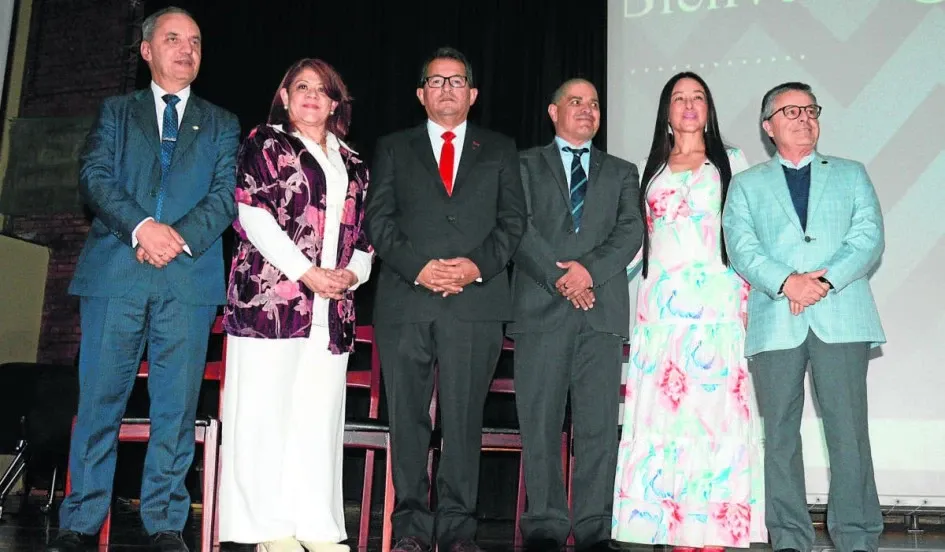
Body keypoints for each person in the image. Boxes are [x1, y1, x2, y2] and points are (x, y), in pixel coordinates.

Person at [50, 7, 239, 552]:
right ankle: (80, 523)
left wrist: (173, 238)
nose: (186, 49)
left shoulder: (222, 123)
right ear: (146, 51)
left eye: (196, 41)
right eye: (173, 38)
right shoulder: (115, 112)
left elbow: (225, 195)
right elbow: (94, 177)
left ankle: (163, 523)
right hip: (116, 275)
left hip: (187, 278)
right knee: (99, 405)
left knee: (176, 410)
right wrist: (141, 228)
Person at [364, 46, 526, 552]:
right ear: (420, 93)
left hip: (476, 305)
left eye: (457, 81)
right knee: (407, 417)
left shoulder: (499, 149)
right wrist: (420, 268)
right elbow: (378, 221)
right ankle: (410, 526)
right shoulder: (393, 147)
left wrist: (475, 267)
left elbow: (513, 222)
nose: (447, 89)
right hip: (407, 301)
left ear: (473, 94)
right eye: (436, 81)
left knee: (463, 418)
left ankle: (457, 527)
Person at [722, 81, 885, 552]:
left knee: (849, 433)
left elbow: (868, 237)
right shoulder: (746, 185)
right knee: (780, 437)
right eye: (790, 112)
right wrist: (788, 282)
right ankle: (790, 538)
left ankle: (857, 537)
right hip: (776, 319)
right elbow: (741, 246)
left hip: (843, 315)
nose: (804, 119)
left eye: (810, 110)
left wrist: (824, 282)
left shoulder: (852, 174)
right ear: (768, 127)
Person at [219, 59, 372, 552]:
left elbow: (367, 237)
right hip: (269, 302)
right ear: (284, 97)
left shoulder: (354, 163)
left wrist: (352, 274)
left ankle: (315, 526)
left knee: (317, 419)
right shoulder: (265, 144)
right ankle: (266, 530)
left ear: (334, 103)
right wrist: (308, 274)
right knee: (264, 417)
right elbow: (252, 217)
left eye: (321, 90)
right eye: (300, 87)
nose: (310, 96)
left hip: (332, 310)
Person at [612, 72, 767, 551]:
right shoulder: (647, 169)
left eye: (697, 97)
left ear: (709, 108)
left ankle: (711, 533)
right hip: (661, 314)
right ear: (666, 110)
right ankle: (666, 527)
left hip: (718, 310)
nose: (689, 104)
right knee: (664, 422)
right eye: (679, 98)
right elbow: (636, 246)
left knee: (713, 417)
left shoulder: (733, 163)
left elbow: (746, 235)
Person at [509, 78, 643, 552]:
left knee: (598, 426)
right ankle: (544, 523)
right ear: (553, 111)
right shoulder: (522, 164)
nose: (586, 110)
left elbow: (630, 232)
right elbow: (515, 227)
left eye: (594, 104)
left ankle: (593, 526)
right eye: (575, 102)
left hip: (600, 311)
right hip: (539, 310)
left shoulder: (624, 171)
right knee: (539, 421)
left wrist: (588, 273)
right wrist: (560, 277)